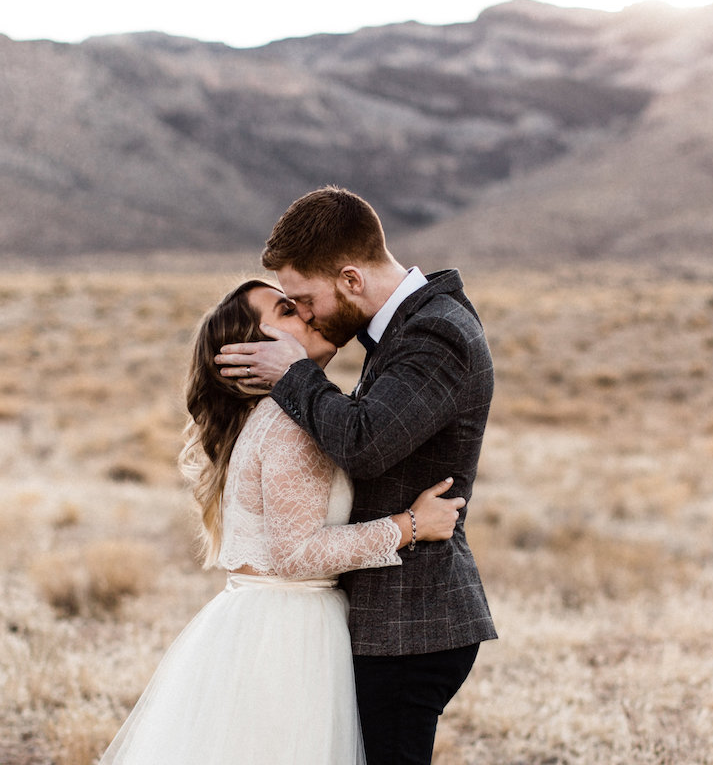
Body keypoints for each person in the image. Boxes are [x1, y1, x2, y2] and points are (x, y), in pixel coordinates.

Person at [98, 279, 467, 765]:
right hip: (289, 636)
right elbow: (297, 555)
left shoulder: (270, 416)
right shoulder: (292, 426)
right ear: (256, 349)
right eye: (289, 310)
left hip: (257, 622)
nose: (311, 315)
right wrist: (409, 526)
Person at [216, 186, 497, 765]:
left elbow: (365, 444)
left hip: (411, 622)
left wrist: (294, 374)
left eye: (304, 298)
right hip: (390, 618)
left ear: (349, 278)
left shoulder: (433, 332)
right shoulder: (400, 330)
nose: (306, 314)